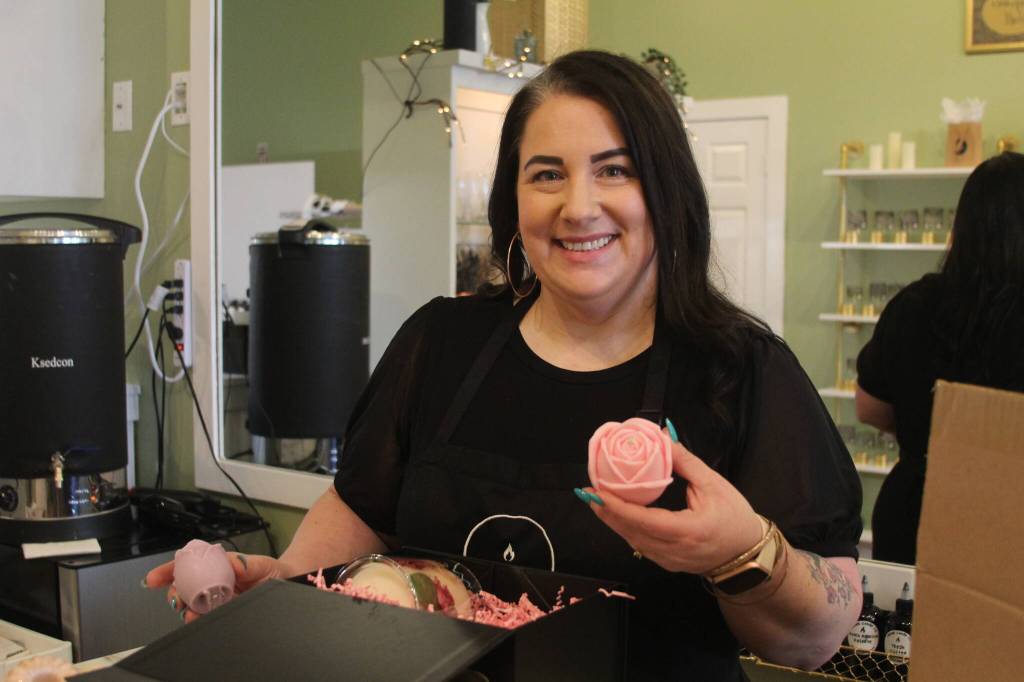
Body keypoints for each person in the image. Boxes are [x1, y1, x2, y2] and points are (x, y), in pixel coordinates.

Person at [146, 50, 863, 679]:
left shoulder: (741, 372)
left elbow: (816, 640)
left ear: (666, 193)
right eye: (546, 174)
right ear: (512, 201)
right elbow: (361, 511)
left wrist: (743, 554)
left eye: (614, 170)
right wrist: (285, 590)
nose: (578, 207)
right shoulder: (441, 341)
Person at [857, 151, 1024, 565]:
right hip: (1010, 519)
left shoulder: (916, 303)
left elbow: (868, 407)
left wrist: (926, 427)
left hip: (919, 509)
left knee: (906, 629)